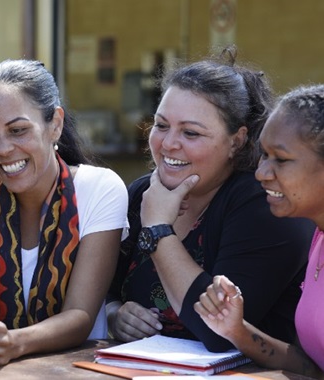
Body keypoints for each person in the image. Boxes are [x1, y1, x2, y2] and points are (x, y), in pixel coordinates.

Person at [107, 46, 315, 352]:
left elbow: (219, 331)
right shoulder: (142, 193)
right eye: (161, 126)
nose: (168, 144)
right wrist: (114, 314)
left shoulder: (264, 203)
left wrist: (158, 230)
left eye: (190, 133)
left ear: (237, 140)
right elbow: (104, 291)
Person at [0, 59, 129, 366]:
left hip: (77, 370)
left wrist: (13, 342)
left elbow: (81, 315)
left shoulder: (100, 189)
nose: (3, 149)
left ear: (55, 124)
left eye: (18, 130)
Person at [195, 84, 324, 377]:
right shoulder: (318, 237)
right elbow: (313, 366)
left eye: (281, 159)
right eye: (263, 155)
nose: (261, 173)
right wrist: (236, 330)